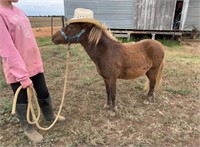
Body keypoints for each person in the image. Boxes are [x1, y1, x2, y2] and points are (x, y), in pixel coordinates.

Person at [0, 0, 65, 143]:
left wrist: (37, 60)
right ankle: (28, 128)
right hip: (17, 69)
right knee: (23, 99)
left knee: (43, 91)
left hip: (33, 63)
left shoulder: (17, 10)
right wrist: (22, 76)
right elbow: (7, 50)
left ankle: (49, 116)